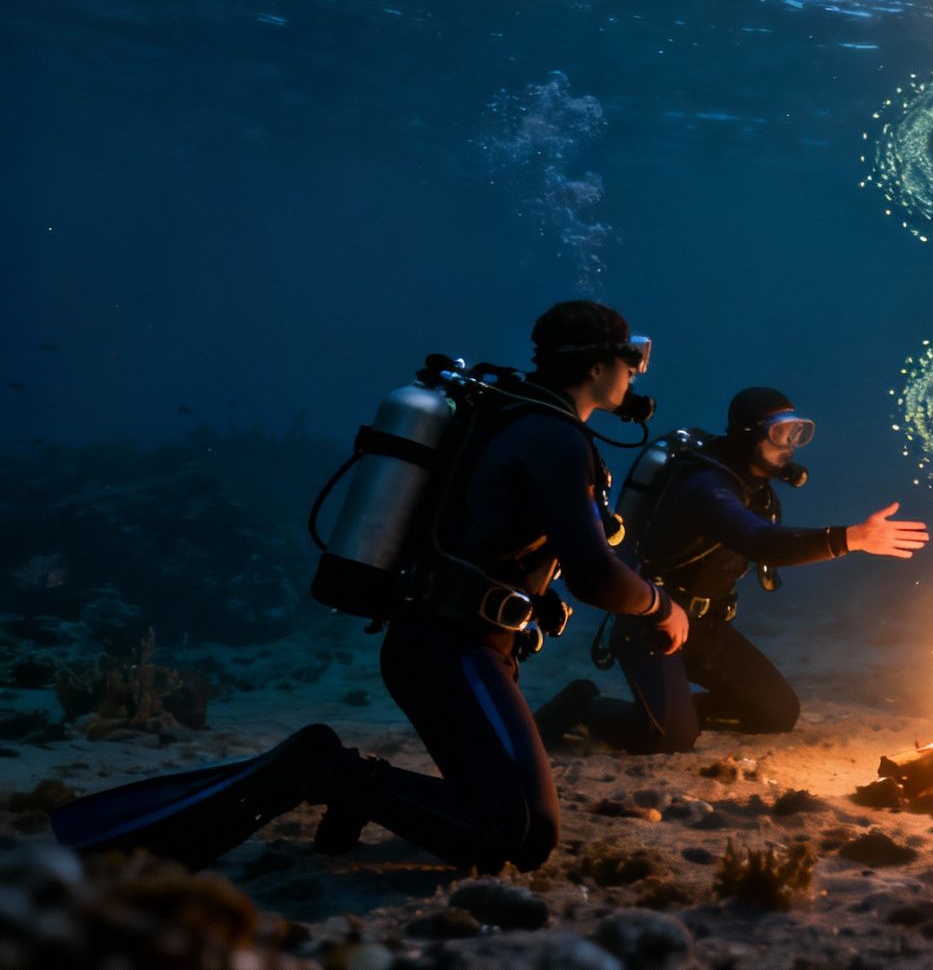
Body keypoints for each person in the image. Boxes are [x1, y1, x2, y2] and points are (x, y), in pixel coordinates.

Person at [53, 300, 688, 873]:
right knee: (518, 834)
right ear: (598, 364)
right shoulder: (553, 437)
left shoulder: (513, 417)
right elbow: (596, 574)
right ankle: (326, 772)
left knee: (502, 811)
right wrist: (662, 606)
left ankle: (354, 790)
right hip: (452, 654)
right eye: (631, 359)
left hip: (450, 648)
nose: (636, 372)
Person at [534, 387, 929, 753]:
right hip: (652, 623)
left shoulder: (755, 487)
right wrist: (851, 538)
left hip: (704, 628)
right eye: (781, 434)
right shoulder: (705, 485)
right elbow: (758, 541)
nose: (790, 446)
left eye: (798, 433)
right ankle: (586, 705)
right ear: (746, 434)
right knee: (669, 737)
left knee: (776, 713)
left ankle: (677, 711)